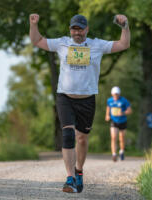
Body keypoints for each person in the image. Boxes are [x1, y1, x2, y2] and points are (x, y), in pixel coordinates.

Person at [29, 13, 130, 193]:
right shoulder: (62, 43)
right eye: (74, 29)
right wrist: (34, 24)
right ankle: (70, 178)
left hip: (87, 100)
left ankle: (79, 171)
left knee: (82, 139)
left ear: (87, 30)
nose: (77, 32)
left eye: (81, 29)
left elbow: (124, 44)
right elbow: (37, 41)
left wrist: (125, 27)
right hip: (65, 98)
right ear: (70, 30)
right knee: (68, 135)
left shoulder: (96, 45)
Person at [105, 86, 132, 162]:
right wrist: (107, 115)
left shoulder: (124, 101)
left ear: (119, 94)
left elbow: (130, 111)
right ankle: (114, 154)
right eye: (114, 94)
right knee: (113, 137)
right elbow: (108, 108)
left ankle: (122, 151)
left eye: (116, 94)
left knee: (122, 138)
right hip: (114, 121)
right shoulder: (109, 100)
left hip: (122, 121)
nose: (115, 96)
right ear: (112, 94)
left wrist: (123, 113)